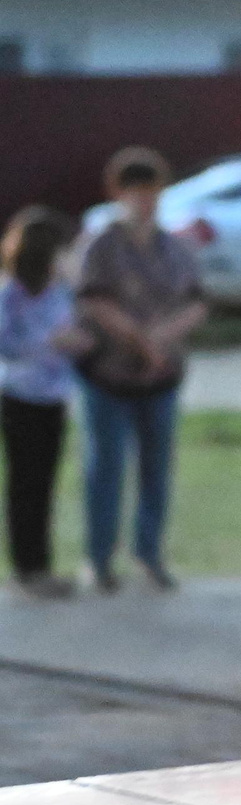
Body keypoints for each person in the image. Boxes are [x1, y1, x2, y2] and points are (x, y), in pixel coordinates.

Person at [72, 149, 207, 593]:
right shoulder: (101, 246)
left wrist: (160, 339)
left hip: (160, 375)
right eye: (135, 192)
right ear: (117, 194)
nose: (144, 201)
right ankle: (99, 558)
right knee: (105, 469)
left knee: (156, 469)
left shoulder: (175, 249)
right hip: (108, 376)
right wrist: (137, 338)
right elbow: (92, 300)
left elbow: (196, 304)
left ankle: (149, 553)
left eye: (151, 192)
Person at [1, 207, 81, 599]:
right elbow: (7, 345)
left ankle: (41, 565)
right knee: (26, 483)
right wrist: (48, 343)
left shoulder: (58, 290)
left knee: (45, 483)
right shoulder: (9, 294)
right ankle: (28, 568)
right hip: (20, 397)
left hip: (53, 397)